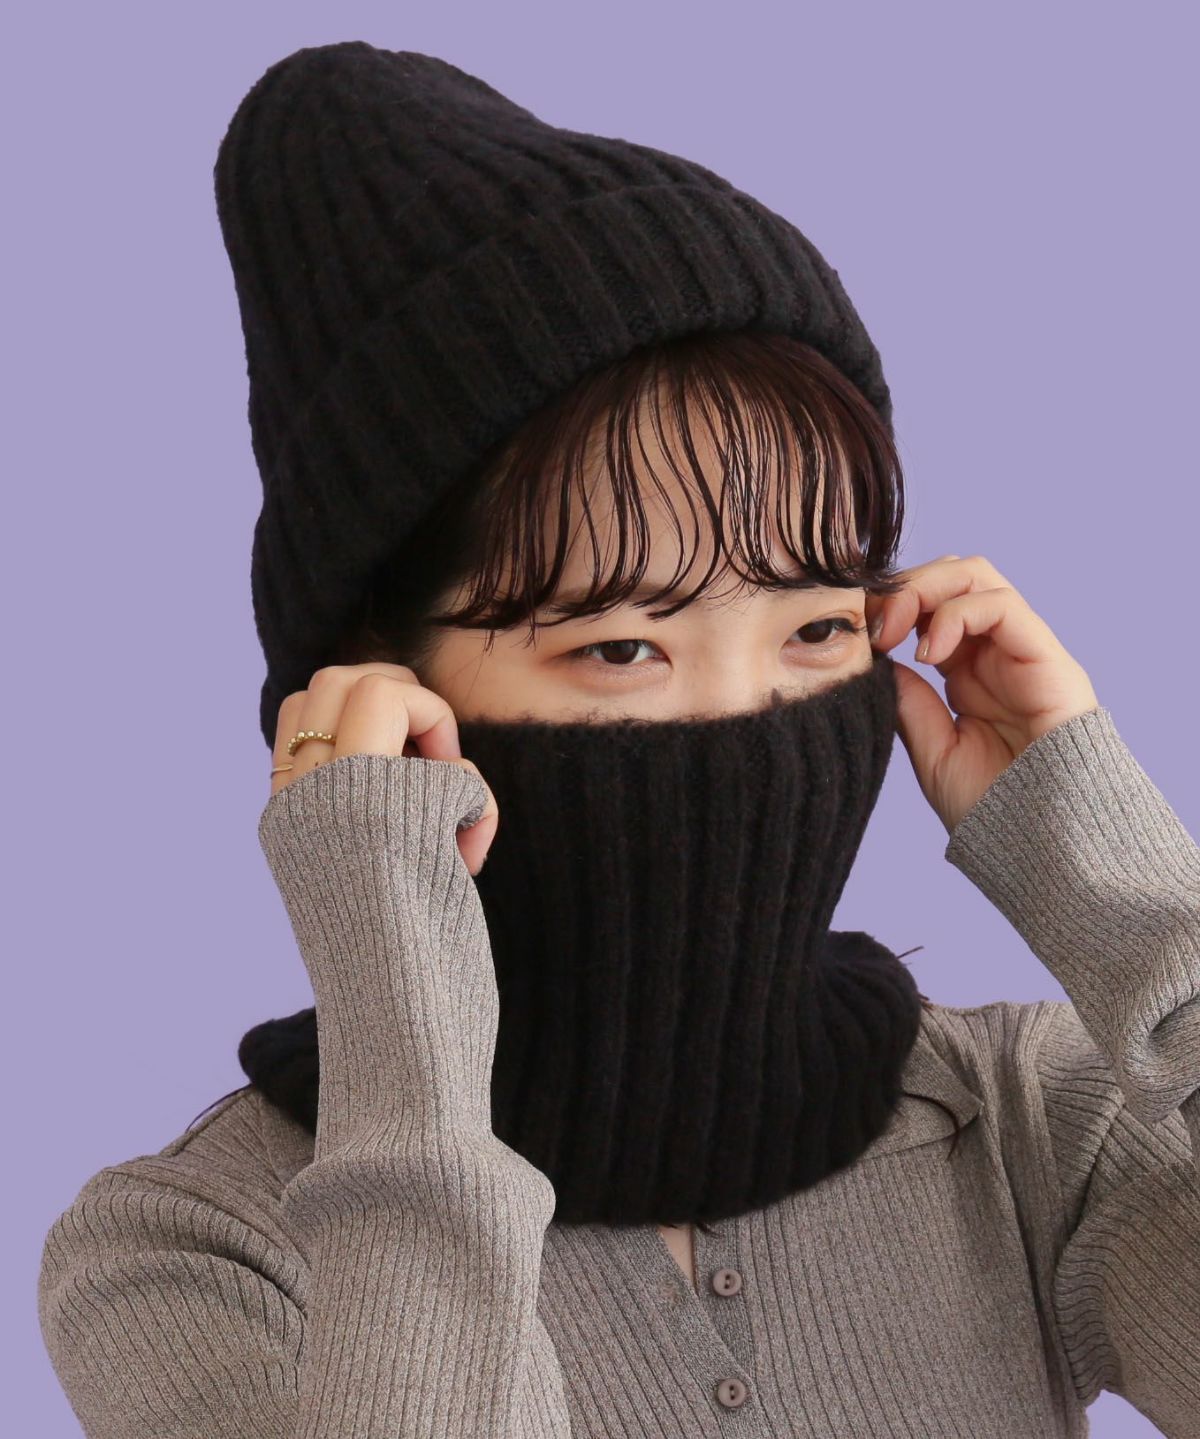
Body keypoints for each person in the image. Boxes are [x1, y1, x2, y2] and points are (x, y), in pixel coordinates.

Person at [37, 42, 1200, 1439]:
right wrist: (402, 1038)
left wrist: (1113, 880)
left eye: (818, 625)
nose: (745, 723)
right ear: (376, 700)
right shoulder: (191, 1250)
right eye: (620, 648)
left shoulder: (1038, 1120)